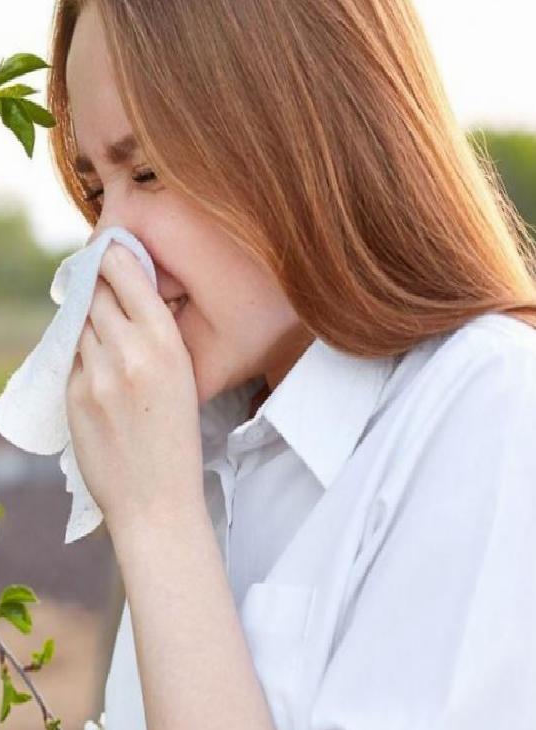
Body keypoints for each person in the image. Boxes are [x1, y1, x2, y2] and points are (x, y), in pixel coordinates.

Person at [46, 1, 536, 728]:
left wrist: (158, 522)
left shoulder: (492, 413)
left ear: (303, 135)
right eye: (95, 191)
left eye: (146, 172)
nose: (108, 248)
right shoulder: (205, 449)